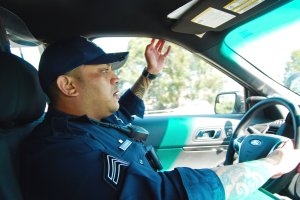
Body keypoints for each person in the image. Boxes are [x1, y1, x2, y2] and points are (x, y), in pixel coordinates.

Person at [20, 36, 300, 200]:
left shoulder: (93, 121)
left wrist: (150, 73)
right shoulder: (62, 153)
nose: (116, 76)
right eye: (104, 71)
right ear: (69, 86)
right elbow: (167, 195)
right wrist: (273, 163)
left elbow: (126, 109)